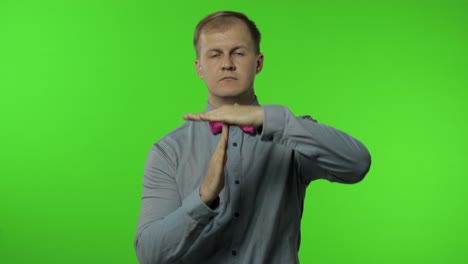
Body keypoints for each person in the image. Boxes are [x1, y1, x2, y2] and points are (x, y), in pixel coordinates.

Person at [134, 10, 371, 264]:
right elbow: (149, 255)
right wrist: (202, 198)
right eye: (215, 54)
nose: (227, 63)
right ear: (199, 67)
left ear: (258, 63)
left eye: (238, 52)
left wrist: (270, 119)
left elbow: (357, 164)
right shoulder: (168, 151)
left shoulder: (294, 136)